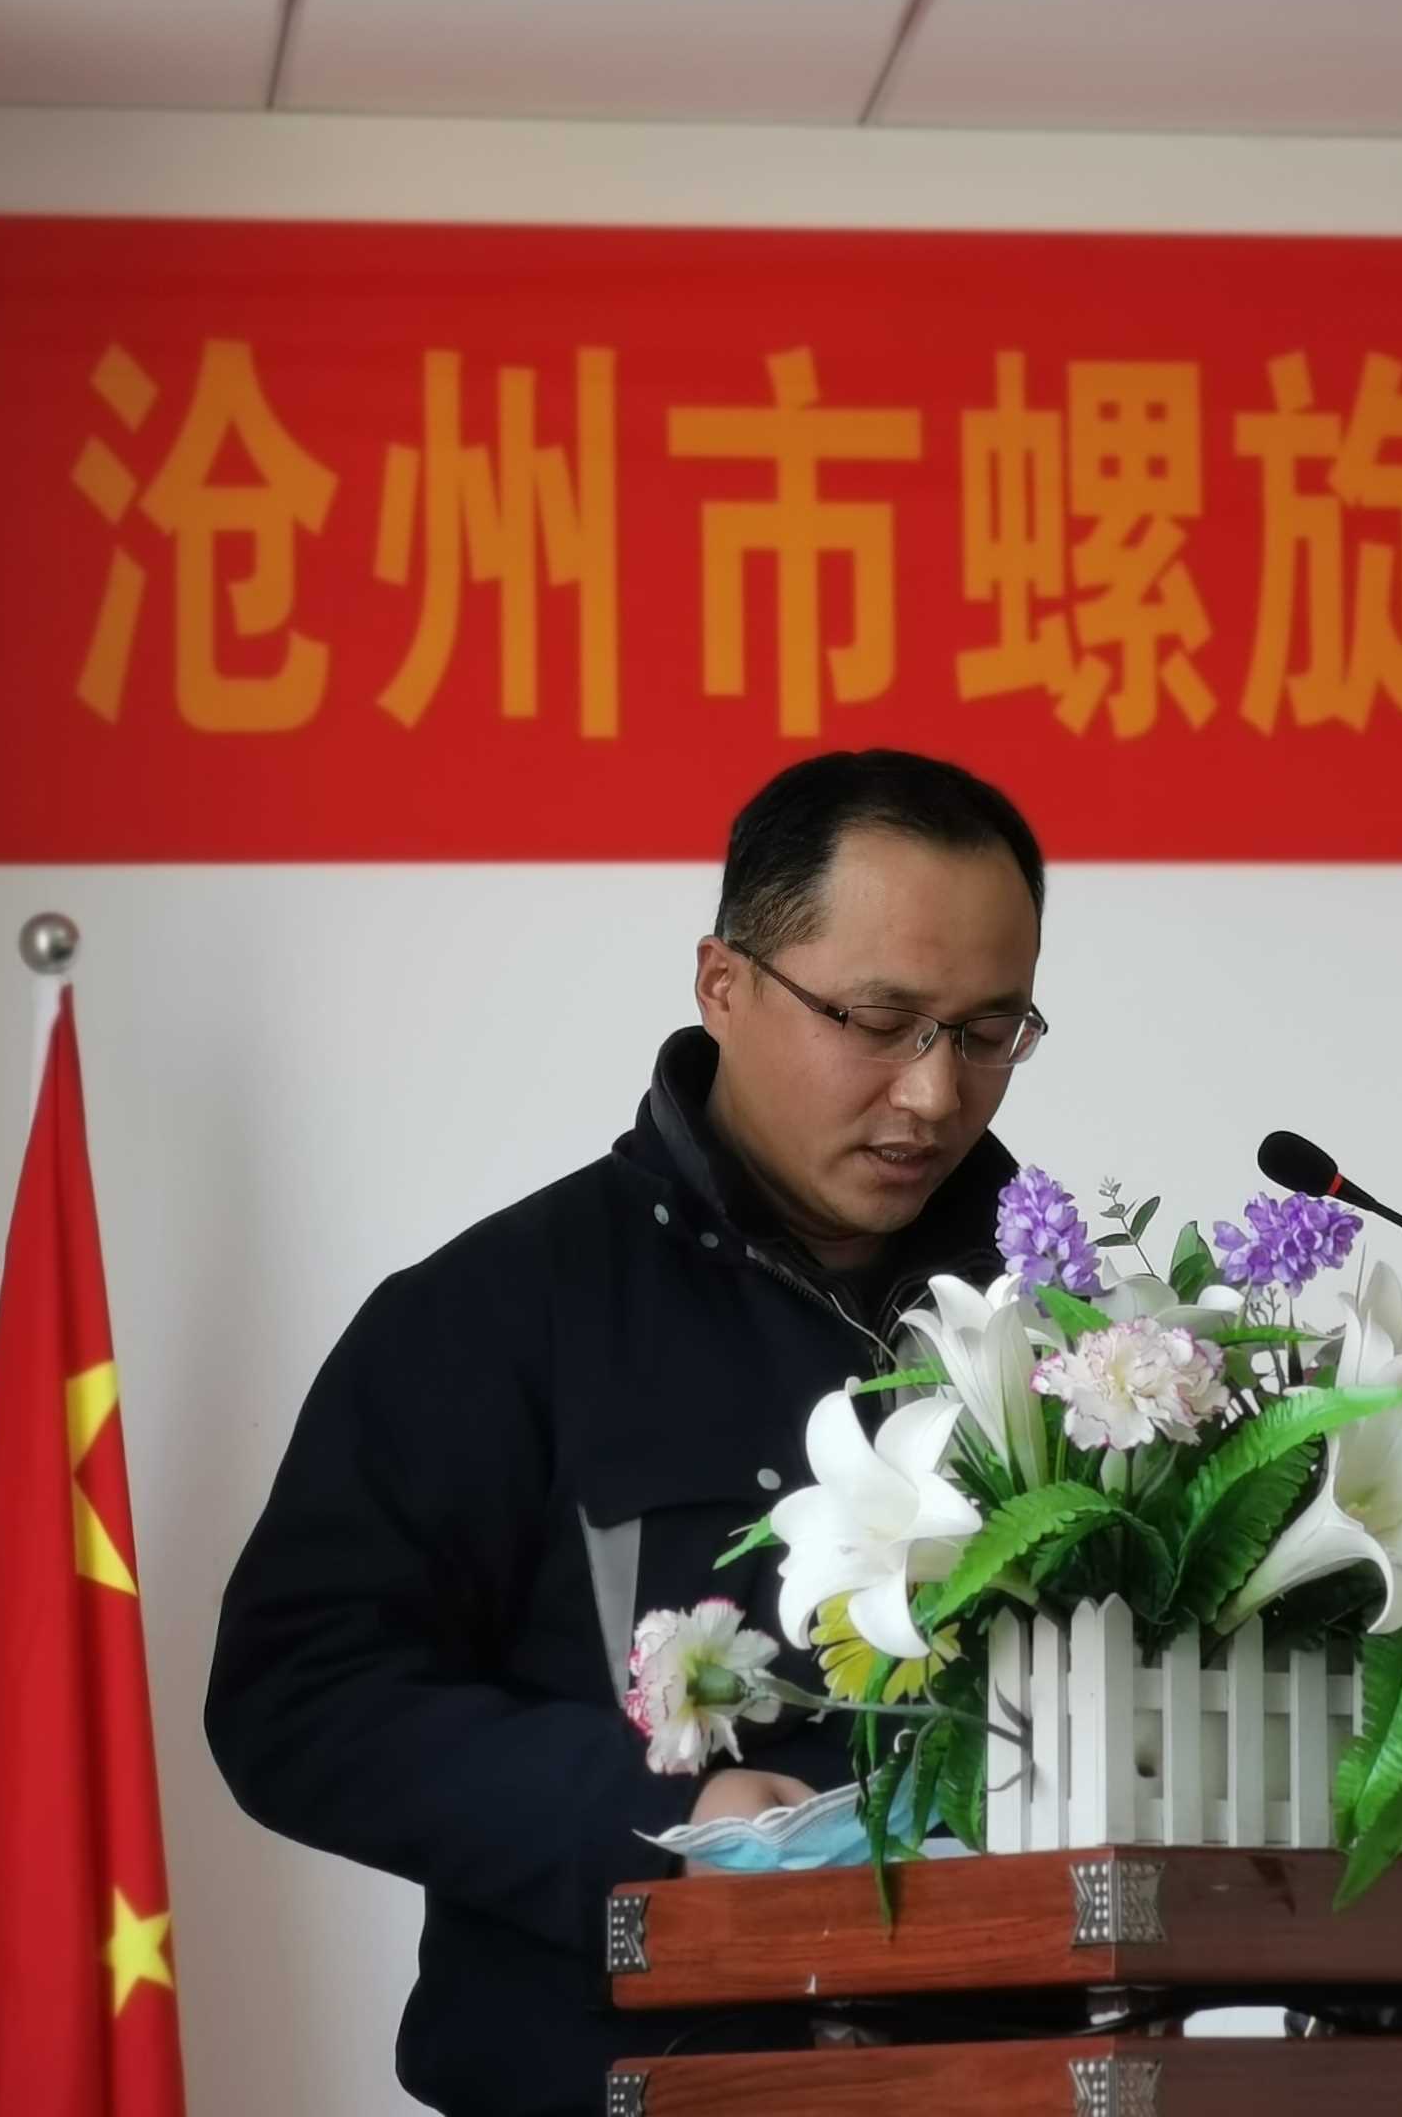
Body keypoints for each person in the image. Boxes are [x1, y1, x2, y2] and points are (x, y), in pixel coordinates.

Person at [205, 748, 1050, 2117]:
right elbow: (297, 1697)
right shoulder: (497, 1314)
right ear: (724, 984)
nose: (933, 1095)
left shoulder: (1074, 1340)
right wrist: (657, 1822)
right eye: (880, 1020)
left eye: (988, 1032)